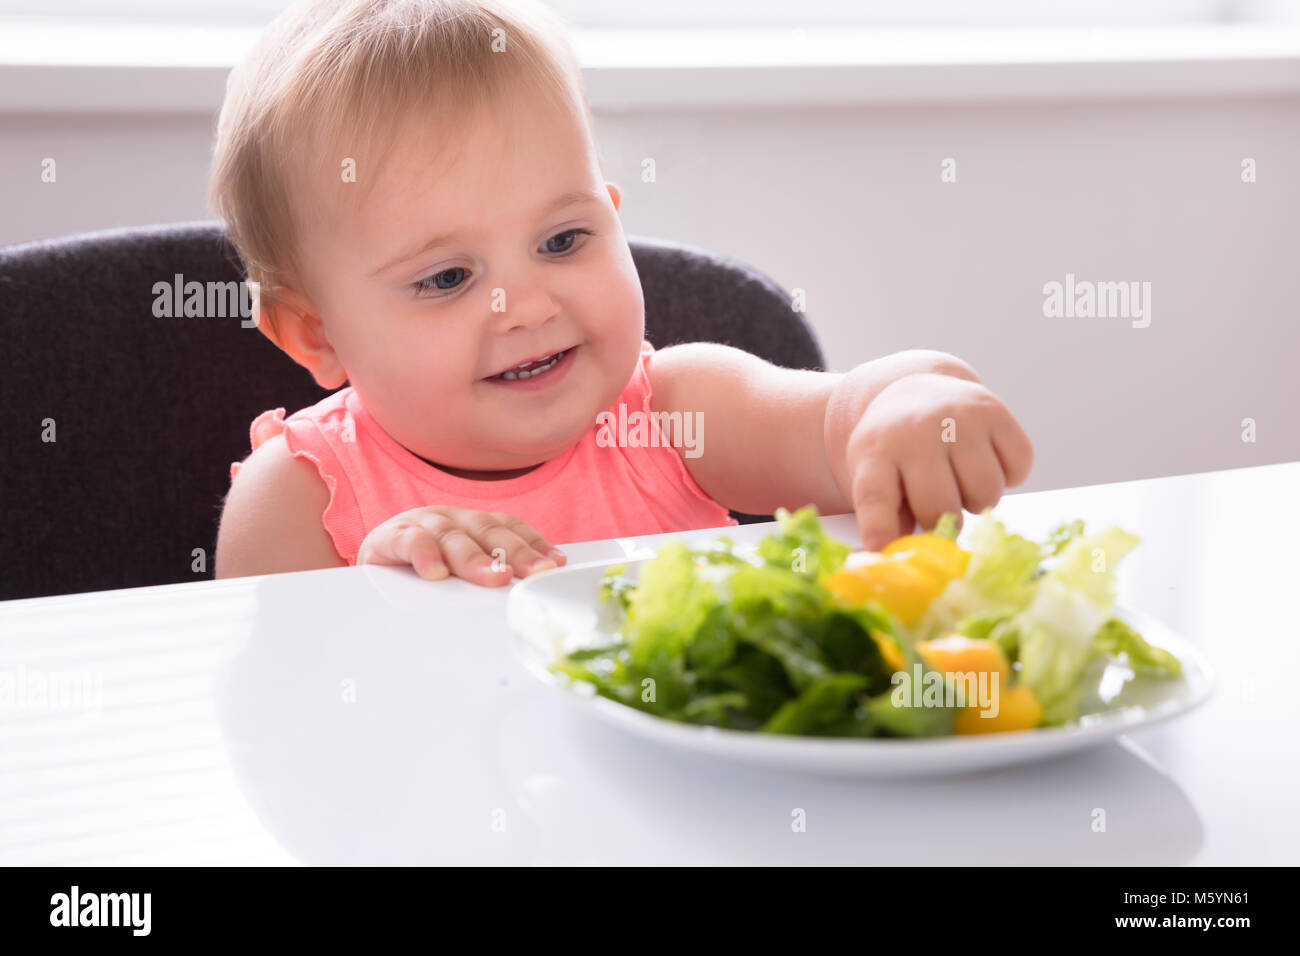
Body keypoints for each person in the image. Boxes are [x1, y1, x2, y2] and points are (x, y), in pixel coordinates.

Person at [212, 0, 1033, 587]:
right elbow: (274, 729)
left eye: (562, 241)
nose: (528, 307)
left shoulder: (677, 414)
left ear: (612, 218)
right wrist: (376, 592)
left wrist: (913, 399)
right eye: (449, 278)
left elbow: (838, 421)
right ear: (314, 333)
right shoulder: (293, 498)